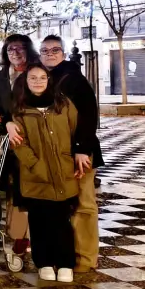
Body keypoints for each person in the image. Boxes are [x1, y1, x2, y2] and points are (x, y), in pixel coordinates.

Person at [11, 63, 81, 283]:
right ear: (26, 81)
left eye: (43, 77)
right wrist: (35, 164)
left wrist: (70, 157)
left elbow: (75, 130)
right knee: (40, 221)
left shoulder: (62, 104)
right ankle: (44, 262)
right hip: (35, 176)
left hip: (62, 172)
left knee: (62, 220)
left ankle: (65, 263)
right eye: (33, 78)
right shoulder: (20, 110)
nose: (38, 81)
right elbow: (18, 144)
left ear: (49, 80)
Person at [40, 35, 101, 273]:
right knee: (63, 206)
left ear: (63, 53)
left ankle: (85, 258)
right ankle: (67, 254)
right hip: (57, 153)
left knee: (84, 204)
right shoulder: (45, 77)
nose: (50, 54)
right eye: (45, 50)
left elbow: (88, 115)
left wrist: (82, 150)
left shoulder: (74, 78)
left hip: (78, 153)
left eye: (55, 50)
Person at [0, 35, 40, 254]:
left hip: (33, 137)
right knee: (16, 188)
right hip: (11, 138)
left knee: (32, 186)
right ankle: (18, 235)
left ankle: (34, 235)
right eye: (10, 49)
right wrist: (0, 118)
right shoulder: (4, 75)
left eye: (20, 48)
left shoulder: (36, 73)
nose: (15, 52)